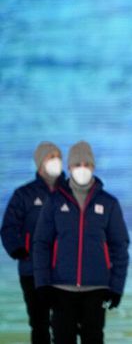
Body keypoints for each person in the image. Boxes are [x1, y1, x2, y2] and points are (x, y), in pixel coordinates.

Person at [33, 141, 130, 344]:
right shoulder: (54, 202)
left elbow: (119, 246)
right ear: (69, 168)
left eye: (87, 164)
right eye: (78, 164)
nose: (82, 169)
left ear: (94, 167)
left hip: (96, 289)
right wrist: (42, 283)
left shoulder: (108, 203)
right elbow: (41, 243)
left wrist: (116, 287)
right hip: (60, 289)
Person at [1, 141, 65, 344]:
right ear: (40, 163)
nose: (56, 161)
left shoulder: (72, 192)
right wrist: (20, 250)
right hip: (33, 271)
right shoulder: (24, 194)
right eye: (50, 157)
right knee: (39, 323)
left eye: (58, 156)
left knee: (66, 324)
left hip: (67, 271)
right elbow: (9, 227)